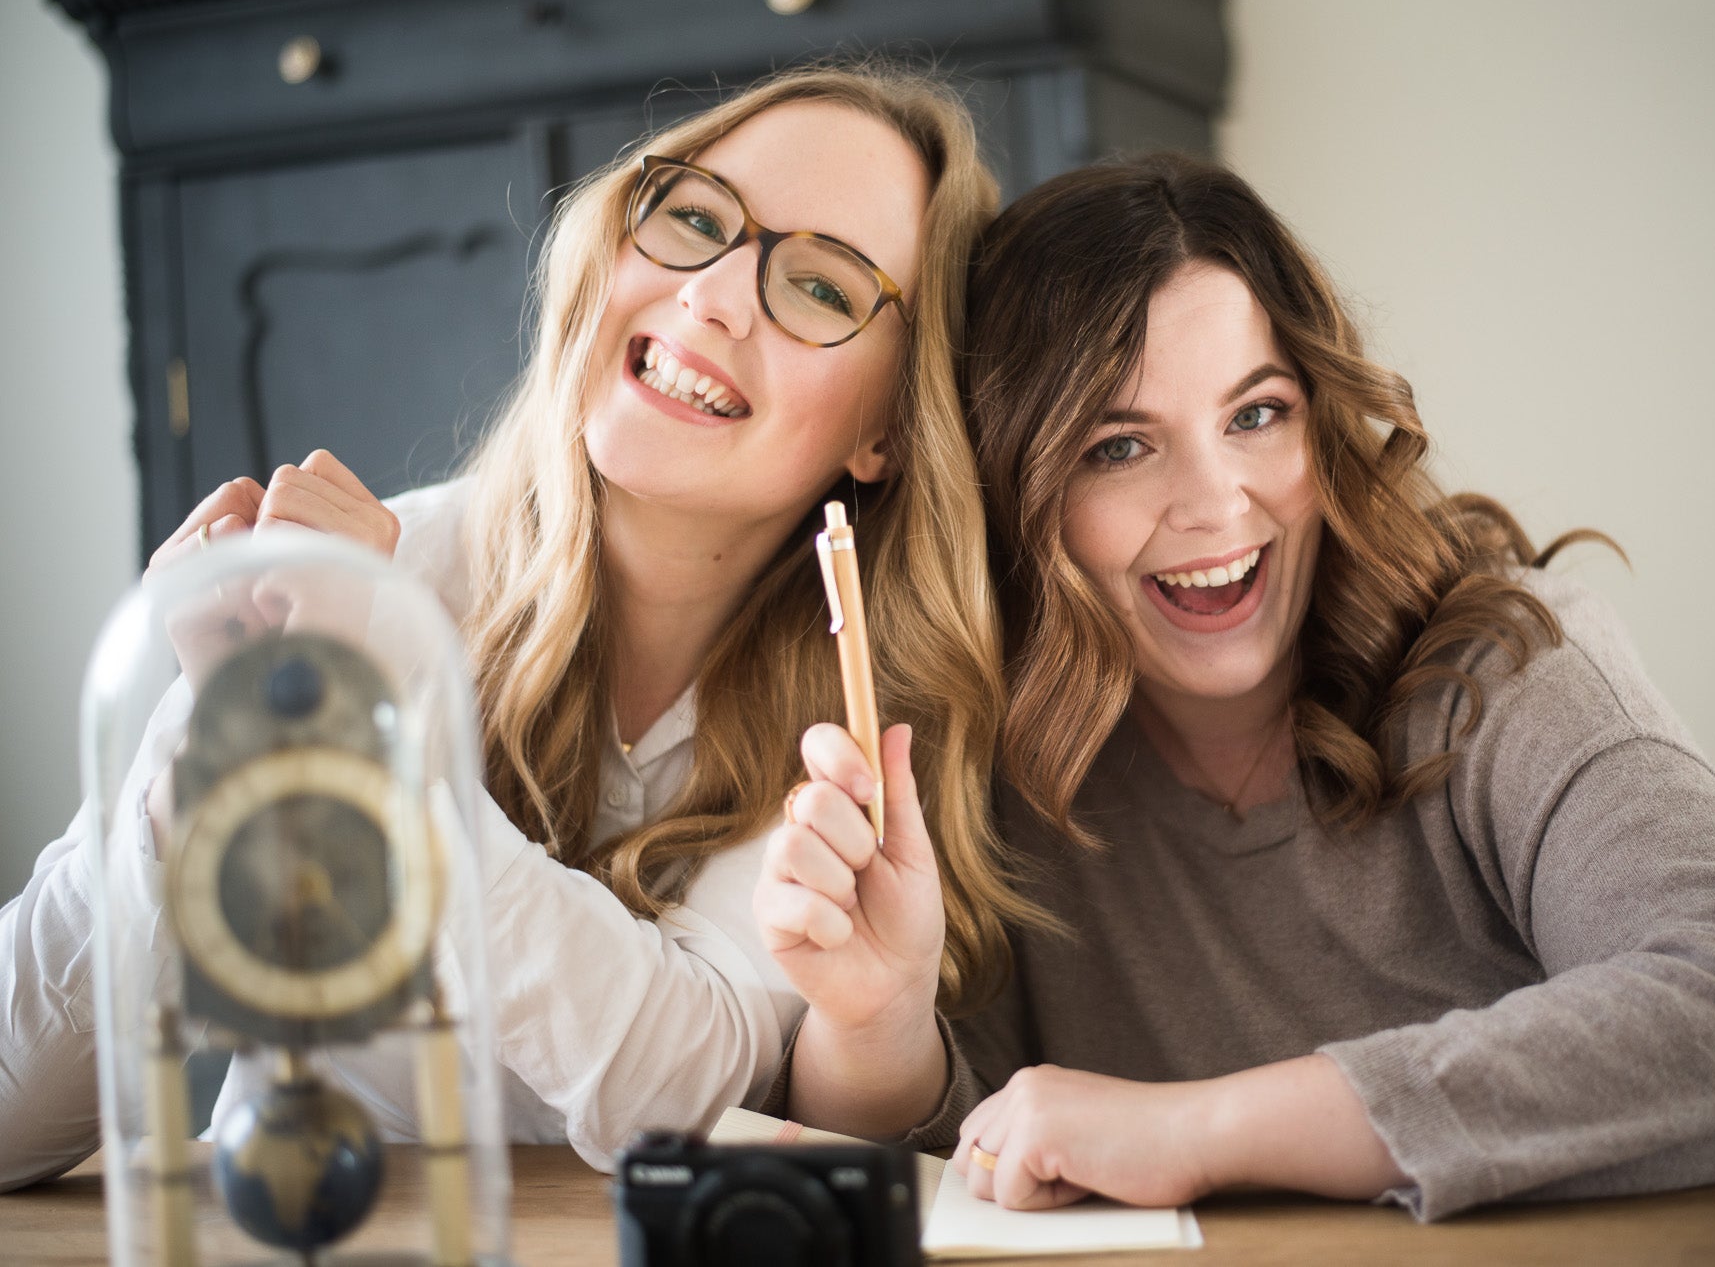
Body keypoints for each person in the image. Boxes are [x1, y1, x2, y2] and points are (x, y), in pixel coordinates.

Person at [759, 154, 1715, 1220]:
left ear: (1321, 418)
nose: (1217, 504)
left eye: (1255, 415)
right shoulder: (1000, 750)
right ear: (1013, 487)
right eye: (1116, 446)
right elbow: (962, 1166)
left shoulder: (1501, 662)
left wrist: (1198, 1131)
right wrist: (876, 1020)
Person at [0, 62, 1034, 1190]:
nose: (715, 295)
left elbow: (678, 1093)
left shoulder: (863, 713)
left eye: (824, 288)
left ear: (884, 426)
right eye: (692, 219)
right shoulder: (366, 579)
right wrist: (187, 785)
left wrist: (385, 728)